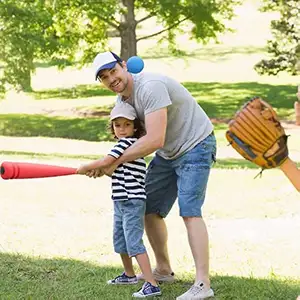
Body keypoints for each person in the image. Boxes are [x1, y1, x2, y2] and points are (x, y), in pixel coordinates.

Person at [90, 51, 217, 300]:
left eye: (113, 71)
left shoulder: (151, 86)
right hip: (168, 154)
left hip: (196, 145)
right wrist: (108, 164)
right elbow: (128, 141)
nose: (111, 79)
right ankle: (163, 270)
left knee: (190, 212)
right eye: (104, 77)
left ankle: (203, 283)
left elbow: (154, 139)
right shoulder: (122, 101)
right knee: (148, 207)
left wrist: (110, 162)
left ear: (123, 66)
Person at [77, 102, 162, 298]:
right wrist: (98, 171)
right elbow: (112, 171)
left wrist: (85, 167)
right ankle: (129, 274)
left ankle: (151, 283)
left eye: (127, 125)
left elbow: (107, 162)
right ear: (113, 128)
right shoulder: (123, 148)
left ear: (135, 128)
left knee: (133, 242)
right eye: (118, 125)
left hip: (132, 201)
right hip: (121, 200)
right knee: (120, 239)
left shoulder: (127, 144)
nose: (122, 129)